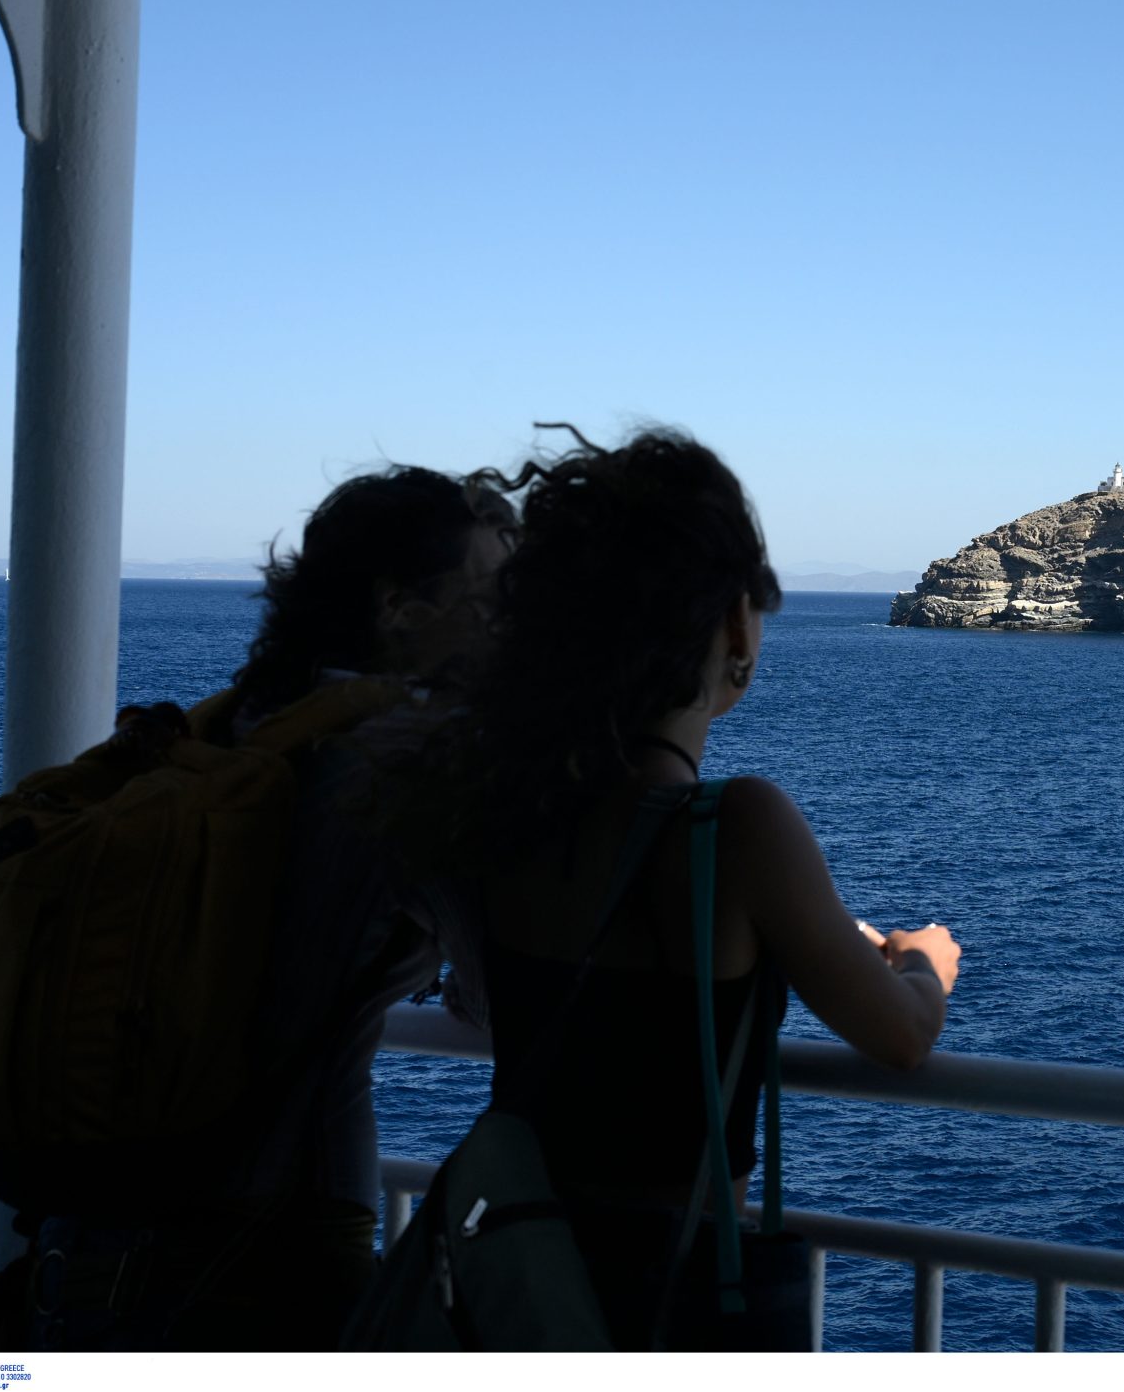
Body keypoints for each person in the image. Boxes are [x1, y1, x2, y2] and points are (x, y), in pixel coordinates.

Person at [391, 427, 959, 1348]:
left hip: (519, 1289)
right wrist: (923, 964)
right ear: (735, 625)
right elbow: (900, 1037)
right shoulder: (737, 826)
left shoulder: (502, 813)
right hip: (670, 1301)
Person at [20, 465, 514, 1349]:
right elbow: (500, 1000)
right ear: (400, 608)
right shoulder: (408, 762)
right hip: (279, 1241)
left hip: (96, 1227)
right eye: (488, 596)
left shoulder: (229, 730)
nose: (509, 622)